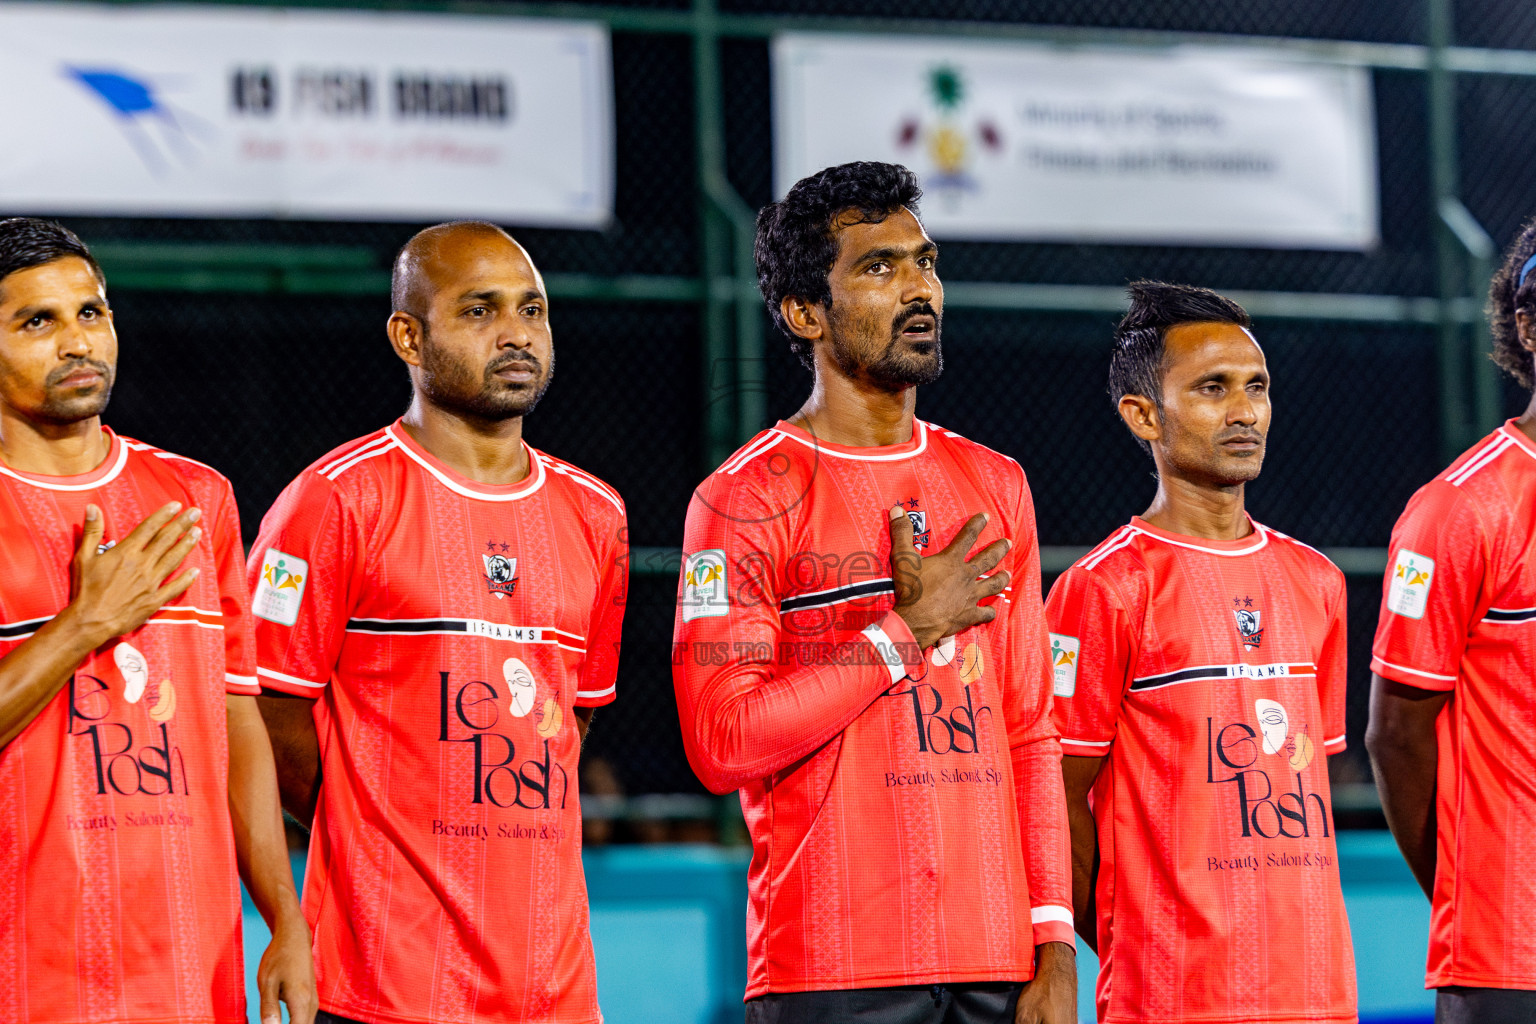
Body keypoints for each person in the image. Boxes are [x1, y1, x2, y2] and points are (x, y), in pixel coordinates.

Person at [672, 161, 1075, 1024]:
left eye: (924, 262)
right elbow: (721, 739)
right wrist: (902, 631)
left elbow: (1032, 729)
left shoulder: (997, 481)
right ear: (804, 313)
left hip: (998, 961)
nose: (919, 288)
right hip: (828, 968)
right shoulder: (741, 498)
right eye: (880, 268)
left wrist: (1052, 937)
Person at [250, 221, 626, 1024]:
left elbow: (572, 721)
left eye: (532, 309)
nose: (517, 332)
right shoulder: (336, 498)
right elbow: (260, 710)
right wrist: (374, 816)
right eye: (481, 311)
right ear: (408, 335)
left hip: (554, 987)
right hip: (384, 980)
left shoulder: (597, 515)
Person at [0, 217, 314, 1024]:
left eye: (91, 313)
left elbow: (237, 723)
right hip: (29, 975)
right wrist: (85, 624)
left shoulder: (196, 498)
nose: (77, 341)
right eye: (37, 321)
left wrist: (286, 919)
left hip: (191, 968)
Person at [1050, 281, 1356, 1024]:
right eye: (1213, 388)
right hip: (1173, 994)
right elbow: (1056, 797)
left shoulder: (1317, 580)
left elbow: (1315, 780)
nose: (1245, 411)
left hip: (1320, 991)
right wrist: (1135, 941)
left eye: (1257, 387)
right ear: (1143, 414)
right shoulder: (1103, 587)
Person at [1367, 219, 1536, 1023]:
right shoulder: (1462, 510)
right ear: (1528, 326)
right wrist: (1467, 892)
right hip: (1509, 950)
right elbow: (1396, 734)